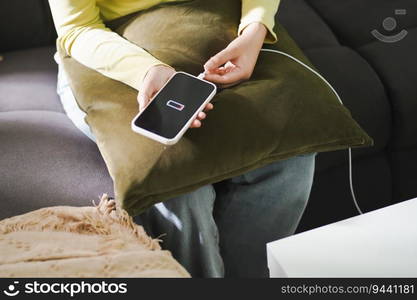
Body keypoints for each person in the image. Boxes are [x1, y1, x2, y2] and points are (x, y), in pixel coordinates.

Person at [49, 0, 316, 277]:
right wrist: (145, 71)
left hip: (212, 23)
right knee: (176, 184)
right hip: (106, 50)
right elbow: (77, 29)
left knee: (290, 159)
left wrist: (255, 27)